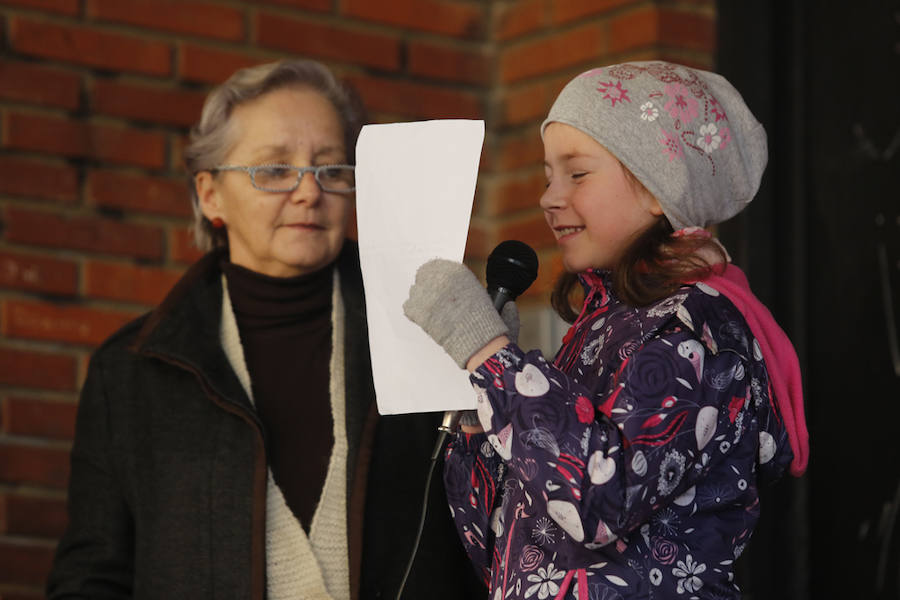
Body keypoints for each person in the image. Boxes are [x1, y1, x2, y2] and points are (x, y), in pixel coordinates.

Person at [46, 59, 483, 600]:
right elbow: (94, 576)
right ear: (210, 195)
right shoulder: (133, 371)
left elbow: (490, 543)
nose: (308, 192)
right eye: (274, 170)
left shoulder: (426, 336)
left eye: (331, 169)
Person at [403, 61, 809, 600]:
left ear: (657, 186)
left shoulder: (697, 329)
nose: (549, 197)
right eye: (549, 174)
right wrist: (481, 408)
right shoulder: (602, 325)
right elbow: (501, 544)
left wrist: (494, 358)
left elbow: (601, 500)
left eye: (577, 173)